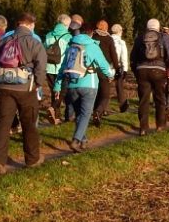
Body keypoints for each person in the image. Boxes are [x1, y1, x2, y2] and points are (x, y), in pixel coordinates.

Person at [0, 12, 49, 172]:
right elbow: (41, 66)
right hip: (26, 88)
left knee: (3, 124)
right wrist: (37, 83)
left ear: (17, 24)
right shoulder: (34, 42)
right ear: (31, 25)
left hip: (4, 86)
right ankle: (32, 158)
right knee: (29, 124)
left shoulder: (4, 41)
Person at [55, 20, 114, 151]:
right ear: (91, 33)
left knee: (79, 114)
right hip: (89, 84)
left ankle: (84, 140)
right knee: (86, 114)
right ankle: (76, 140)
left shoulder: (71, 45)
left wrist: (58, 85)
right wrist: (110, 74)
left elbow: (63, 67)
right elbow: (103, 64)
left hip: (71, 85)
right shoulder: (92, 45)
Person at [131, 18, 169, 136]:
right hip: (159, 70)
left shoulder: (140, 38)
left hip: (142, 70)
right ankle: (160, 125)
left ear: (147, 27)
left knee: (143, 100)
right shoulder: (164, 37)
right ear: (158, 27)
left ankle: (143, 128)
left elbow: (133, 57)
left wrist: (136, 71)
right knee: (160, 99)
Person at [43, 13, 73, 123]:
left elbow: (44, 48)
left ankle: (56, 115)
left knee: (54, 91)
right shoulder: (69, 37)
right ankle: (56, 112)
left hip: (49, 67)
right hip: (61, 67)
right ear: (67, 24)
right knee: (62, 91)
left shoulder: (49, 35)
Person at [91, 20, 119, 123]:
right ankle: (98, 111)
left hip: (92, 69)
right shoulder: (109, 39)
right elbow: (114, 55)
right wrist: (117, 68)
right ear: (106, 28)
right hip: (104, 69)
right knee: (105, 94)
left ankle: (95, 111)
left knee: (96, 93)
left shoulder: (92, 37)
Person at [110, 23, 131, 113]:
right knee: (119, 86)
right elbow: (124, 57)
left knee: (106, 87)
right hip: (117, 66)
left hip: (107, 66)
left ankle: (104, 107)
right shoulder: (121, 42)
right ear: (119, 31)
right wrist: (125, 69)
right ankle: (122, 105)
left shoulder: (107, 40)